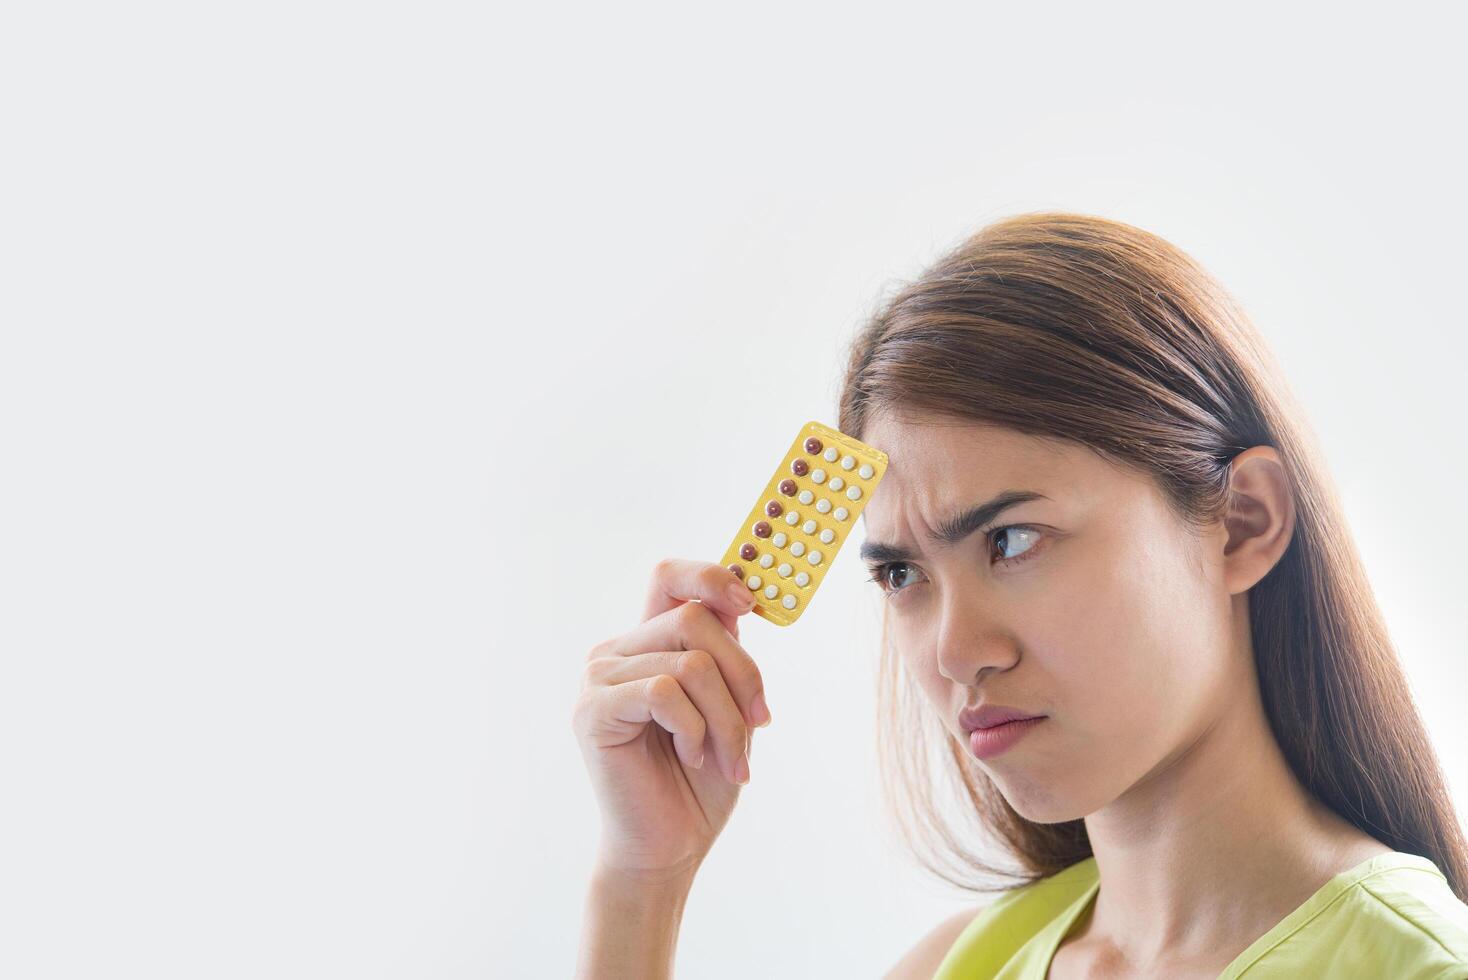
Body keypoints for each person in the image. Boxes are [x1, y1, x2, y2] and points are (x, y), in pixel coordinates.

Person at [570, 212, 1468, 978]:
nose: (954, 652)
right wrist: (644, 883)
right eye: (902, 575)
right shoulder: (963, 962)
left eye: (1011, 540)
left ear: (1244, 522)